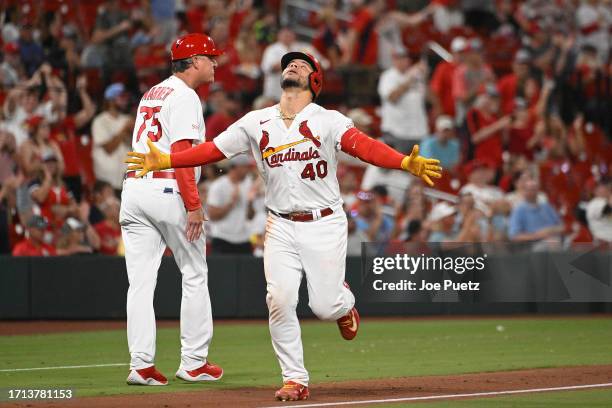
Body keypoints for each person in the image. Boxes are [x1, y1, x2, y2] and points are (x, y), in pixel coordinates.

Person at [126, 51, 442, 400]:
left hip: (323, 222)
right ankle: (295, 379)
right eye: (290, 63)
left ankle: (343, 302)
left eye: (303, 65)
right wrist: (169, 159)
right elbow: (214, 150)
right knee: (279, 299)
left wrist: (402, 162)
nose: (293, 65)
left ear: (315, 81)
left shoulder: (327, 119)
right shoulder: (256, 121)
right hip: (279, 223)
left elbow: (362, 146)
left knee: (324, 306)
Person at [119, 33, 223, 387]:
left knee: (140, 283)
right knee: (194, 272)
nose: (215, 63)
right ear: (193, 61)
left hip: (134, 188)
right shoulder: (185, 95)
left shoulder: (153, 92)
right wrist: (193, 205)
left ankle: (140, 365)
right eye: (210, 58)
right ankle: (194, 362)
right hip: (166, 188)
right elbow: (180, 154)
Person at [377, 47, 429, 153]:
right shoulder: (388, 76)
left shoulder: (416, 75)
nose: (402, 61)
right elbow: (392, 97)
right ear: (394, 60)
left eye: (404, 57)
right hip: (396, 132)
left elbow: (427, 98)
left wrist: (425, 77)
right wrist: (410, 79)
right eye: (398, 58)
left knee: (416, 168)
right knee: (397, 167)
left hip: (417, 131)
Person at [207, 155, 256, 254]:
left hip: (243, 239)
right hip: (222, 238)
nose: (248, 170)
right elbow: (212, 215)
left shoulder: (248, 183)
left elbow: (251, 216)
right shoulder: (218, 186)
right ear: (237, 167)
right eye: (246, 167)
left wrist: (250, 203)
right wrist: (231, 203)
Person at [92, 83, 133, 193]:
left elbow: (135, 145)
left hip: (127, 181)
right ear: (110, 100)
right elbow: (109, 148)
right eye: (121, 97)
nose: (125, 100)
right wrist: (124, 130)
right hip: (107, 183)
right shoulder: (100, 121)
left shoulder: (127, 119)